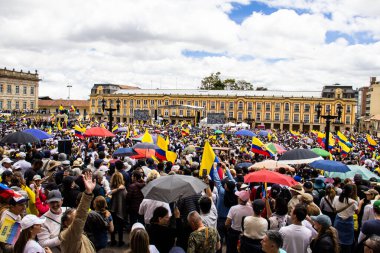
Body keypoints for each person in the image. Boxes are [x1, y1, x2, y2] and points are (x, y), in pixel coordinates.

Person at [59, 171, 96, 253]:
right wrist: (88, 193)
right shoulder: (70, 235)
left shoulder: (76, 233)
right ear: (65, 222)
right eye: (74, 216)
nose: (76, 217)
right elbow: (80, 217)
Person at [332, 184, 358, 253]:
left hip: (338, 220)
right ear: (351, 192)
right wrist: (360, 203)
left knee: (337, 239)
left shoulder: (336, 198)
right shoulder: (353, 202)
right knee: (347, 242)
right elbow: (357, 212)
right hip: (348, 222)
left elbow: (334, 209)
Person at [109, 171, 128, 247]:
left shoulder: (111, 187)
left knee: (112, 225)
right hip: (121, 209)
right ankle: (120, 241)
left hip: (112, 209)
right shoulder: (123, 189)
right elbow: (125, 198)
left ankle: (113, 240)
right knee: (120, 226)